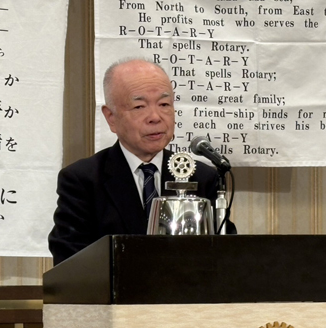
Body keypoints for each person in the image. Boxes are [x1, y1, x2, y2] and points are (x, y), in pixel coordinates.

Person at [48, 58, 227, 265]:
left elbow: (226, 255)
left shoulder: (203, 177)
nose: (155, 117)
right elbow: (70, 261)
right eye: (139, 106)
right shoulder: (83, 180)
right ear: (111, 118)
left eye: (164, 104)